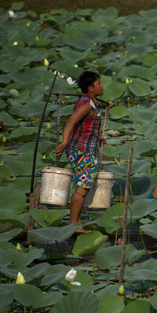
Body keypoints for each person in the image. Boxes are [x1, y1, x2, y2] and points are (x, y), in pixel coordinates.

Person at [54, 71, 104, 233]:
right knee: (82, 187)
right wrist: (64, 142)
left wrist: (97, 139)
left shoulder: (88, 101)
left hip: (85, 148)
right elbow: (70, 122)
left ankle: (77, 222)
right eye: (98, 84)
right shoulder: (86, 105)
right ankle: (72, 224)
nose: (101, 86)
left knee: (83, 186)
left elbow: (85, 126)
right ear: (90, 88)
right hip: (81, 151)